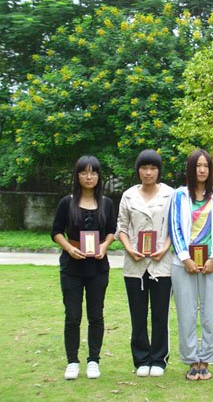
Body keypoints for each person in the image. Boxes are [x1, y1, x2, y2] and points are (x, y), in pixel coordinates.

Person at [51, 156, 117, 380]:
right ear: (77, 175)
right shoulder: (67, 202)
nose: (89, 177)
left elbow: (112, 230)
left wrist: (105, 246)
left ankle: (93, 361)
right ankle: (72, 361)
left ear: (99, 176)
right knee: (72, 315)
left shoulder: (106, 203)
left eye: (93, 172)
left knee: (96, 315)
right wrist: (70, 249)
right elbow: (56, 231)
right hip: (72, 267)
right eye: (84, 172)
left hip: (98, 267)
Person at [168, 149, 213, 381]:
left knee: (210, 314)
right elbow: (174, 227)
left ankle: (206, 360)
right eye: (197, 166)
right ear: (190, 169)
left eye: (206, 166)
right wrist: (186, 258)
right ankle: (192, 360)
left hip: (212, 263)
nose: (202, 170)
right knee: (187, 314)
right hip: (184, 264)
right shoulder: (179, 195)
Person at [116, 150, 174, 377]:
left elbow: (175, 226)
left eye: (153, 168)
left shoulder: (170, 194)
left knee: (160, 313)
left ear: (159, 171)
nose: (148, 173)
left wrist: (165, 248)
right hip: (135, 264)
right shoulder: (128, 195)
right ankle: (141, 359)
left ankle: (158, 359)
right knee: (138, 314)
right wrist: (129, 249)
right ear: (138, 170)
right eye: (144, 168)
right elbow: (121, 227)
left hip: (161, 263)